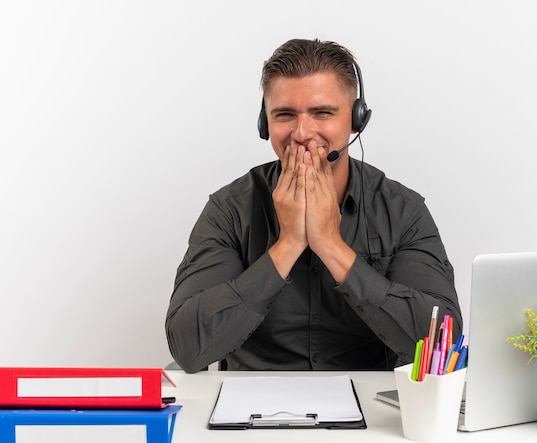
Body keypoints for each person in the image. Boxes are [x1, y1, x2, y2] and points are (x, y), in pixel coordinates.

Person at [165, 38, 462, 373]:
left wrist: (332, 246)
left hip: (373, 407)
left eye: (322, 113)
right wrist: (289, 244)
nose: (302, 132)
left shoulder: (401, 211)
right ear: (265, 124)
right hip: (251, 400)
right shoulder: (229, 210)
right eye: (285, 115)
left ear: (356, 120)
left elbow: (442, 345)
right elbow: (188, 349)